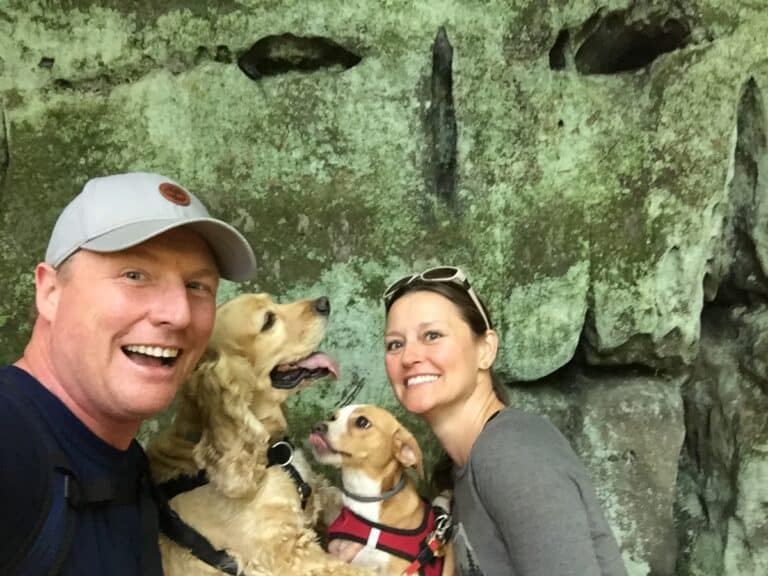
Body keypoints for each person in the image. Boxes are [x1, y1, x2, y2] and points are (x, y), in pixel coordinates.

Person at [0, 172, 257, 576]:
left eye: (197, 286)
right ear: (50, 292)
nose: (177, 313)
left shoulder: (125, 464)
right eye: (135, 275)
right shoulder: (10, 440)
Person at [381, 266, 628, 576]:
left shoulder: (509, 453)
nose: (409, 357)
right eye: (395, 344)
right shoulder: (464, 468)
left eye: (432, 336)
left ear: (486, 350)